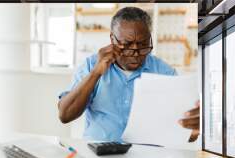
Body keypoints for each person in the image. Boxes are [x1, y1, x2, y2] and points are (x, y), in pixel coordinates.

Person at [58, 7, 200, 142]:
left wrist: (194, 128)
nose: (136, 54)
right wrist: (96, 73)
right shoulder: (90, 65)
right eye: (126, 44)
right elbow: (65, 115)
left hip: (147, 156)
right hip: (99, 153)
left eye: (143, 44)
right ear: (112, 39)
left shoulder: (165, 72)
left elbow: (184, 131)